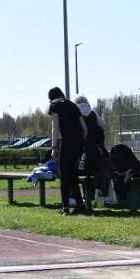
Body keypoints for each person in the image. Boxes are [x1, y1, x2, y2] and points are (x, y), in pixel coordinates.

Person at [48, 87, 88, 215]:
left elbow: (55, 127)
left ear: (51, 98)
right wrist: (82, 143)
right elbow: (85, 128)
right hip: (79, 142)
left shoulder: (54, 105)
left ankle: (65, 207)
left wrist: (53, 148)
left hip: (68, 141)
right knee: (71, 174)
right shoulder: (72, 104)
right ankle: (80, 205)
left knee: (64, 174)